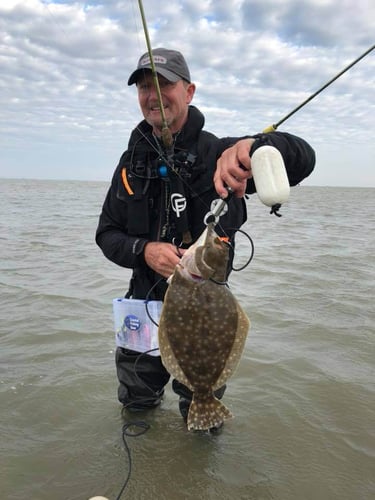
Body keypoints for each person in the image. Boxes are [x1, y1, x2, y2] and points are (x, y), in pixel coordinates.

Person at [95, 48, 315, 425]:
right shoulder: (130, 163)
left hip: (208, 310)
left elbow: (303, 159)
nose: (153, 95)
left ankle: (200, 470)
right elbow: (106, 234)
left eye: (164, 84)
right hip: (143, 306)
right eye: (145, 86)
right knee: (135, 410)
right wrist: (143, 250)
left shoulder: (221, 152)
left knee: (201, 410)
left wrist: (258, 147)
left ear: (190, 91)